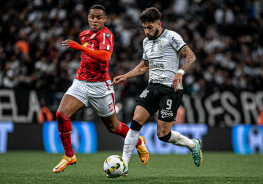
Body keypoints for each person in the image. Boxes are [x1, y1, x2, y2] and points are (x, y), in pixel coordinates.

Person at [53, 4, 149, 173]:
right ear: (88, 18)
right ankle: (69, 155)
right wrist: (81, 47)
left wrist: (80, 47)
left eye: (99, 17)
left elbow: (105, 57)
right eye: (92, 17)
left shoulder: (106, 35)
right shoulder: (84, 34)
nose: (95, 20)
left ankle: (139, 142)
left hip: (100, 87)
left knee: (113, 127)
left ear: (104, 19)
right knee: (61, 114)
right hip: (81, 83)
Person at [111, 7, 202, 175]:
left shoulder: (172, 37)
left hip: (170, 89)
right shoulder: (146, 42)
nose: (146, 31)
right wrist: (125, 76)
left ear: (158, 24)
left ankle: (192, 145)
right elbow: (145, 66)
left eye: (149, 27)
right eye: (144, 28)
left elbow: (191, 56)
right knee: (136, 120)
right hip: (152, 87)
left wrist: (180, 73)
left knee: (162, 134)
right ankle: (124, 164)